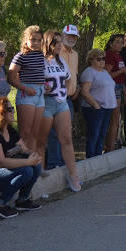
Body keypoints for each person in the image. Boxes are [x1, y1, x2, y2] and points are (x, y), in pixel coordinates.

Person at [0, 97, 43, 219]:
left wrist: (34, 155)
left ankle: (23, 200)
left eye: (13, 108)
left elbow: (24, 149)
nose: (13, 111)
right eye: (10, 109)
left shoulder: (9, 130)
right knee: (26, 170)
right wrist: (27, 161)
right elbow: (0, 161)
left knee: (35, 165)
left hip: (2, 173)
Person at [38, 30, 81, 191]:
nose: (58, 45)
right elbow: (32, 82)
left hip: (62, 103)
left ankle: (73, 175)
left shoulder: (61, 61)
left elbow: (69, 77)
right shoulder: (41, 61)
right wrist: (42, 88)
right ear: (48, 43)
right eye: (55, 42)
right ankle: (39, 176)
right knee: (42, 141)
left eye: (59, 42)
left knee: (67, 139)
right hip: (46, 103)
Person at [46, 25, 80, 169]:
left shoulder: (75, 55)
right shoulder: (55, 54)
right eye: (68, 36)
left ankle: (62, 162)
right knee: (54, 133)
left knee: (66, 133)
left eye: (74, 36)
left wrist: (76, 89)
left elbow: (72, 75)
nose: (71, 39)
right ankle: (54, 163)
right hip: (53, 98)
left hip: (69, 99)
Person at [8, 26, 46, 155]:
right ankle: (20, 162)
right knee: (25, 133)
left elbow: (39, 73)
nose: (36, 43)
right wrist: (25, 88)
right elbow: (11, 77)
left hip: (40, 94)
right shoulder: (21, 56)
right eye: (33, 39)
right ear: (26, 40)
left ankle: (33, 163)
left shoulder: (42, 55)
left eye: (39, 40)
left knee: (35, 133)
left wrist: (44, 84)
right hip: (26, 93)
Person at [80, 49, 117, 158]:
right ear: (91, 60)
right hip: (95, 108)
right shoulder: (89, 72)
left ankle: (98, 158)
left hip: (107, 108)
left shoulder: (105, 72)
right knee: (94, 134)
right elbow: (84, 91)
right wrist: (96, 106)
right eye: (98, 59)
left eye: (103, 59)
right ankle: (91, 158)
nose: (102, 61)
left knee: (102, 134)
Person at [105, 34, 126, 152]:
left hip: (120, 87)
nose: (120, 44)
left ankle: (113, 143)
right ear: (111, 43)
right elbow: (106, 75)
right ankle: (110, 147)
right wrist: (122, 70)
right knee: (114, 119)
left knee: (117, 118)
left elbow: (121, 77)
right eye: (117, 42)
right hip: (112, 87)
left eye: (122, 42)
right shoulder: (110, 55)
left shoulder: (118, 56)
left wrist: (125, 93)